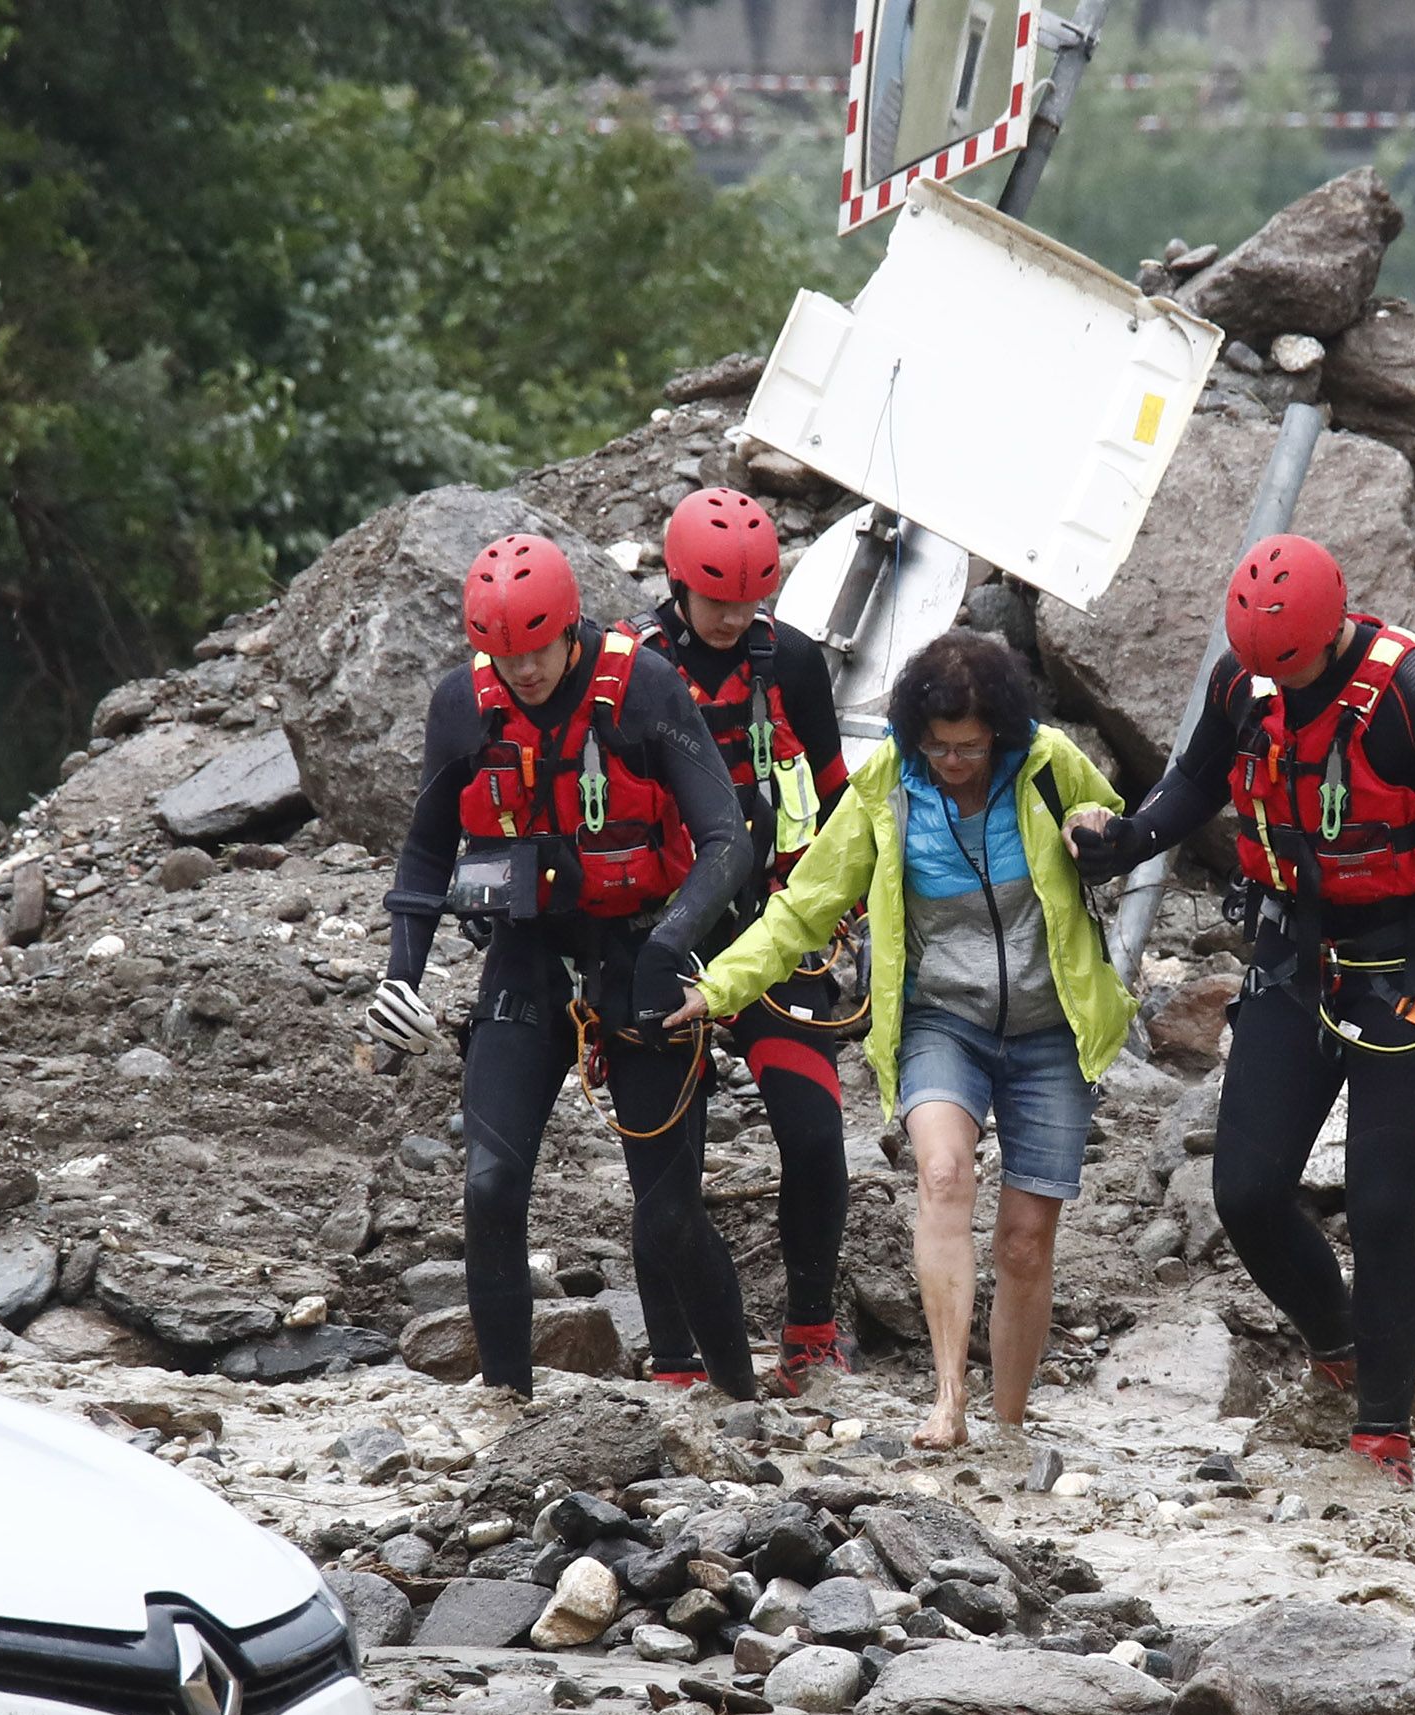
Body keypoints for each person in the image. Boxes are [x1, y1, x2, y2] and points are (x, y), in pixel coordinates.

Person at [1068, 535, 1415, 1488]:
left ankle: (1381, 1437)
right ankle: (1340, 1350)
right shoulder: (1246, 684)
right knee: (1243, 1191)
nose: (1272, 685)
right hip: (1292, 960)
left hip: (1414, 968)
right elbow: (1193, 784)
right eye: (1258, 669)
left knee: (1379, 1202)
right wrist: (1127, 840)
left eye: (1289, 668)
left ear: (1329, 633)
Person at [668, 630, 1131, 1450]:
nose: (953, 761)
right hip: (940, 1021)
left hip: (1050, 1027)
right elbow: (804, 907)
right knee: (944, 1174)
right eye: (938, 746)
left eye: (970, 746)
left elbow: (1121, 833)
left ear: (1001, 731)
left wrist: (1098, 827)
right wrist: (717, 987)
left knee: (1024, 1242)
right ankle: (950, 1402)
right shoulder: (887, 784)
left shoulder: (1050, 764)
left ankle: (1012, 1426)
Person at [366, 535, 758, 1400]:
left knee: (668, 1214)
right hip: (526, 958)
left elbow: (729, 838)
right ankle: (506, 1410)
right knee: (493, 1186)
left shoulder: (645, 686)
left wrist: (670, 947)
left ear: (571, 627)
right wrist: (402, 974)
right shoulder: (461, 707)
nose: (524, 672)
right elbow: (426, 859)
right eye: (504, 658)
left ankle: (740, 1404)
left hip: (644, 956)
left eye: (537, 651)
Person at [630, 490, 855, 1397]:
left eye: (751, 601)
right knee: (667, 1150)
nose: (733, 619)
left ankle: (811, 1328)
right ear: (677, 585)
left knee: (814, 1134)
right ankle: (676, 1353)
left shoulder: (790, 661)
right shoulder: (635, 670)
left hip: (771, 931)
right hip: (666, 933)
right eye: (717, 600)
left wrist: (850, 903)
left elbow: (839, 793)